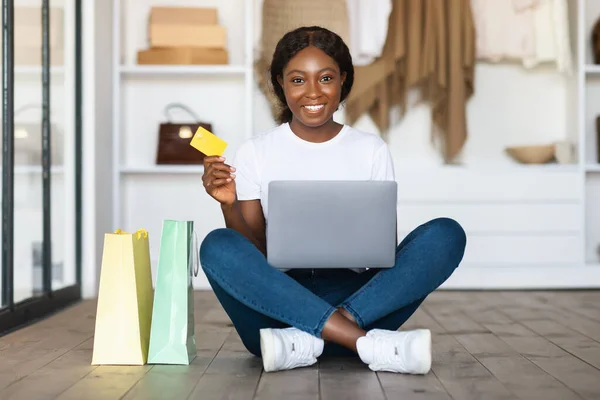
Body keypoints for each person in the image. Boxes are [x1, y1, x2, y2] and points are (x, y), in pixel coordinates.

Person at [199, 26, 466, 374]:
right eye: (298, 80)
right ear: (280, 83)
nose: (312, 92)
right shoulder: (255, 151)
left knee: (447, 234)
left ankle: (312, 336)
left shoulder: (371, 150)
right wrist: (227, 204)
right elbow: (254, 253)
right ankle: (362, 343)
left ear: (343, 80)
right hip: (277, 301)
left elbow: (383, 254)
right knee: (217, 245)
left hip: (356, 299)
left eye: (325, 78)